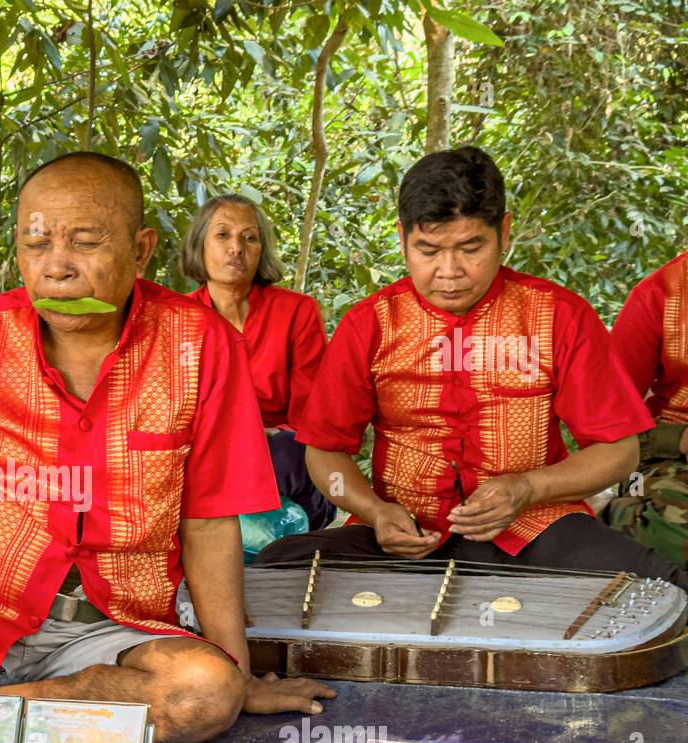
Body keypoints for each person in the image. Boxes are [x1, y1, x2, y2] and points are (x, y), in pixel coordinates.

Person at [0, 151, 335, 743]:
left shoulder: (200, 347)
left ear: (142, 249)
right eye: (35, 244)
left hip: (107, 631)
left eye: (85, 242)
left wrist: (238, 668)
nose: (55, 269)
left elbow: (208, 522)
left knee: (203, 694)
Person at [257, 146, 687, 590]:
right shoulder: (371, 323)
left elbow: (619, 451)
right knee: (277, 569)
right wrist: (374, 511)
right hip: (402, 534)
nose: (449, 271)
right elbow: (324, 451)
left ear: (504, 232)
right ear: (402, 237)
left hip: (535, 526)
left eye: (470, 247)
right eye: (428, 250)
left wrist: (526, 488)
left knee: (666, 593)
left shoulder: (558, 315)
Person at [181, 194, 334, 528]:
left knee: (289, 452)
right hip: (210, 456)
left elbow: (311, 415)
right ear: (199, 245)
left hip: (279, 458)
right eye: (222, 235)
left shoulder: (297, 311)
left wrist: (262, 435)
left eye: (249, 238)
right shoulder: (178, 319)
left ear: (262, 250)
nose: (236, 247)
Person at [604, 250, 688, 562]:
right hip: (668, 456)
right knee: (670, 532)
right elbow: (605, 421)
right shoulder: (661, 293)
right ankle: (621, 511)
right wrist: (677, 438)